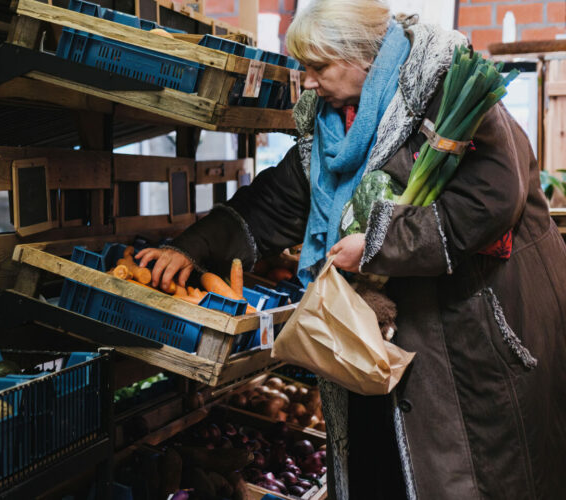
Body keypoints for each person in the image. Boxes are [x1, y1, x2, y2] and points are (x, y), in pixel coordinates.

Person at [136, 0, 566, 498]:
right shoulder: (333, 124)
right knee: (380, 470)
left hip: (473, 338)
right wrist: (192, 249)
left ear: (362, 55)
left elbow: (492, 198)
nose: (309, 81)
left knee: (474, 475)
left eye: (318, 67)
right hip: (373, 335)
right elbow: (278, 200)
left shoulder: (446, 94)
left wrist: (381, 244)